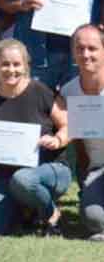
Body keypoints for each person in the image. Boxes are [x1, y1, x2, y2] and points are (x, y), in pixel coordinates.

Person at [0, 39, 70, 237]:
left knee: (23, 180)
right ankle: (24, 212)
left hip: (50, 169)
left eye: (17, 64)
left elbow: (68, 125)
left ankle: (51, 212)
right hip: (6, 176)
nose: (11, 70)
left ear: (26, 66)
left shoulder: (41, 92)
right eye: (5, 64)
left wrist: (58, 140)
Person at [60, 24, 104, 241]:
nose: (85, 54)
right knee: (94, 220)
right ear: (73, 53)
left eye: (92, 48)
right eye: (80, 49)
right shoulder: (68, 91)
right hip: (96, 169)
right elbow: (76, 141)